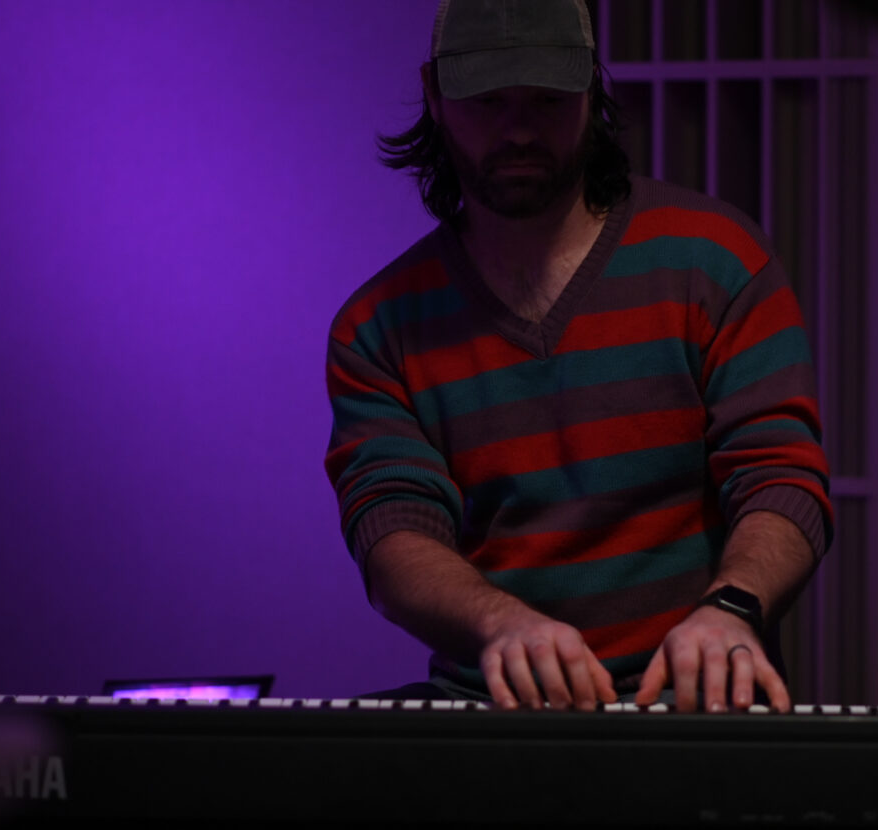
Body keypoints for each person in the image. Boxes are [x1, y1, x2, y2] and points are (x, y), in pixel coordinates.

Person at [324, 0, 832, 714]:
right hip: (491, 709)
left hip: (695, 705)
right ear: (435, 96)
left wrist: (734, 609)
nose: (521, 130)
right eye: (490, 101)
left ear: (592, 92)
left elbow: (781, 475)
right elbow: (394, 531)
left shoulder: (715, 262)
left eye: (548, 100)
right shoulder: (378, 327)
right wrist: (501, 623)